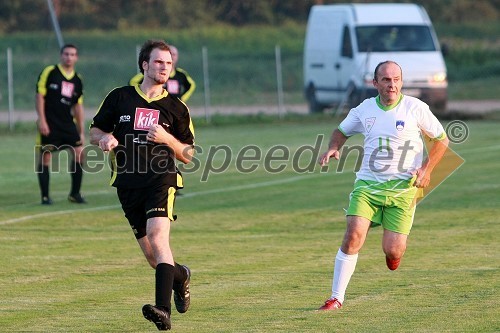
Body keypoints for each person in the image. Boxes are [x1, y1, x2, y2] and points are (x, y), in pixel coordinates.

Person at [317, 61, 449, 311]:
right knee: (353, 234)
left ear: (401, 81)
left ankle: (393, 255)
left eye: (396, 79)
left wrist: (426, 170)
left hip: (403, 190)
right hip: (367, 185)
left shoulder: (415, 108)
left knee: (393, 249)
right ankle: (336, 298)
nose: (392, 84)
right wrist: (334, 147)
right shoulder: (364, 109)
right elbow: (341, 130)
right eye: (386, 80)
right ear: (375, 83)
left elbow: (442, 140)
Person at [90, 39, 195, 331]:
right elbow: (95, 130)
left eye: (169, 63)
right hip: (127, 183)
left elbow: (188, 154)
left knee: (158, 237)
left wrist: (166, 139)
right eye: (159, 62)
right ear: (145, 65)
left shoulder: (177, 108)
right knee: (153, 257)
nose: (164, 67)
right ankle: (181, 276)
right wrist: (103, 139)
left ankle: (162, 310)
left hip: (162, 179)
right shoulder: (119, 97)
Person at [35, 43, 86, 205]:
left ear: (76, 58)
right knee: (46, 156)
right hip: (50, 123)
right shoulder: (50, 72)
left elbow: (78, 106)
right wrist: (42, 120)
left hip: (67, 123)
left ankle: (75, 194)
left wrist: (81, 130)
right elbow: (40, 96)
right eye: (66, 54)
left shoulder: (78, 79)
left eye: (72, 54)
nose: (69, 57)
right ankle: (45, 196)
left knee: (79, 152)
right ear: (61, 55)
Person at [129, 45, 196, 102]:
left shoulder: (181, 74)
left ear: (177, 57)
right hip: (156, 104)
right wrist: (140, 95)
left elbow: (191, 85)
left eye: (174, 54)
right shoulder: (152, 72)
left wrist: (182, 98)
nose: (172, 56)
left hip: (173, 107)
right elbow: (132, 82)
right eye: (170, 54)